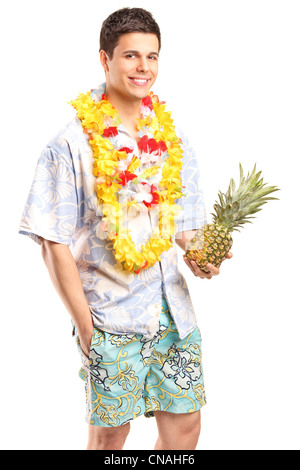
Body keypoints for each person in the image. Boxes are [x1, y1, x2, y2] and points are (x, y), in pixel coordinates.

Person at [19, 7, 232, 451]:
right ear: (105, 59)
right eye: (131, 56)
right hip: (109, 317)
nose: (143, 68)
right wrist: (85, 327)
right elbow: (52, 242)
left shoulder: (172, 138)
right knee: (111, 435)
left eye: (152, 57)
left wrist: (201, 256)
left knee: (186, 427)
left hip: (173, 313)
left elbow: (184, 225)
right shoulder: (71, 144)